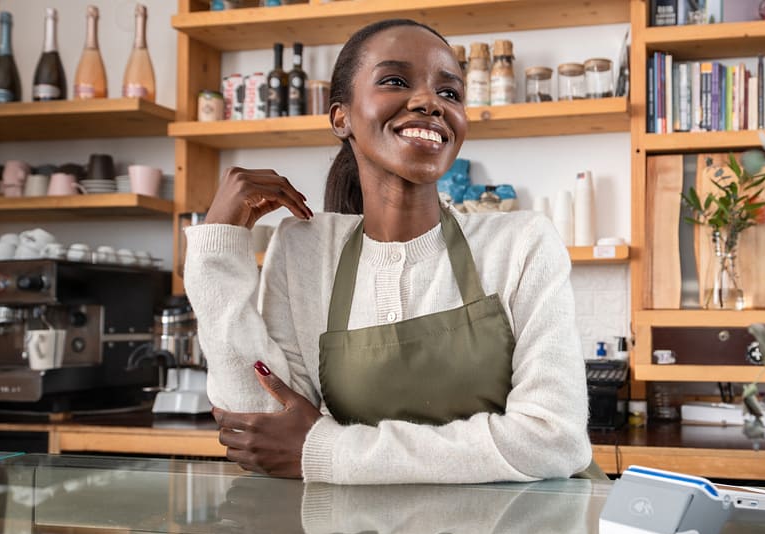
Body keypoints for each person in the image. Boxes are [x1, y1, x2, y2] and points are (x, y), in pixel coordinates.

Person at [182, 19, 595, 484]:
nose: (430, 102)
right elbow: (262, 426)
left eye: (451, 93)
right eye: (396, 81)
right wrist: (217, 249)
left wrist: (327, 450)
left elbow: (554, 440)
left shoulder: (522, 244)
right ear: (341, 117)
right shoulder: (304, 250)